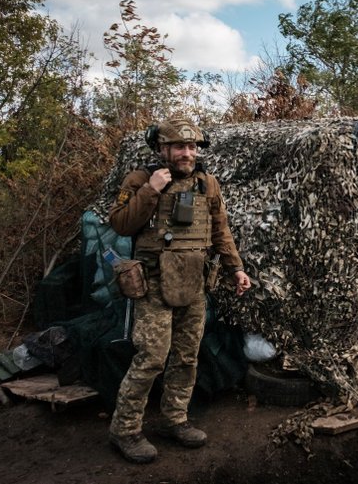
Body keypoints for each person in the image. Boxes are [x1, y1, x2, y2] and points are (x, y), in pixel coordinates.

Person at [107, 117, 251, 464]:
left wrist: (237, 268)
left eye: (192, 147)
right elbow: (120, 223)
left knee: (187, 357)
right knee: (151, 358)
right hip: (154, 283)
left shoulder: (207, 184)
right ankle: (125, 430)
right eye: (179, 147)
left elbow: (221, 230)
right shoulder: (141, 179)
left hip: (194, 283)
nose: (187, 153)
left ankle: (175, 419)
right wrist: (151, 190)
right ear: (162, 149)